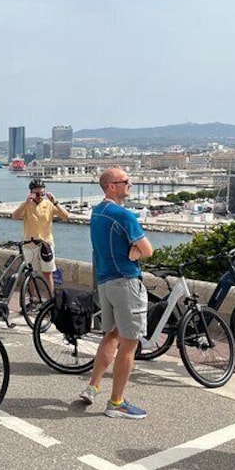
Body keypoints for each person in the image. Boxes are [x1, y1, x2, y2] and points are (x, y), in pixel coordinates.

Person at [79, 167, 153, 419]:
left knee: (111, 335)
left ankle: (93, 386)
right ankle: (116, 402)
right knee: (129, 344)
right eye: (126, 181)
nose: (130, 185)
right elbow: (149, 250)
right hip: (125, 281)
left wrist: (133, 246)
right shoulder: (123, 215)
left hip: (105, 281)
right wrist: (136, 247)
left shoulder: (97, 212)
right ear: (111, 186)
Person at [10, 178, 69, 293]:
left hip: (46, 244)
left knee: (48, 273)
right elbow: (14, 216)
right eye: (37, 193)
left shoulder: (49, 204)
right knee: (31, 274)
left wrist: (55, 202)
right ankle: (33, 299)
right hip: (30, 245)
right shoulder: (27, 205)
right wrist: (25, 203)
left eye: (42, 193)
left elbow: (66, 216)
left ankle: (50, 300)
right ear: (31, 193)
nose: (40, 196)